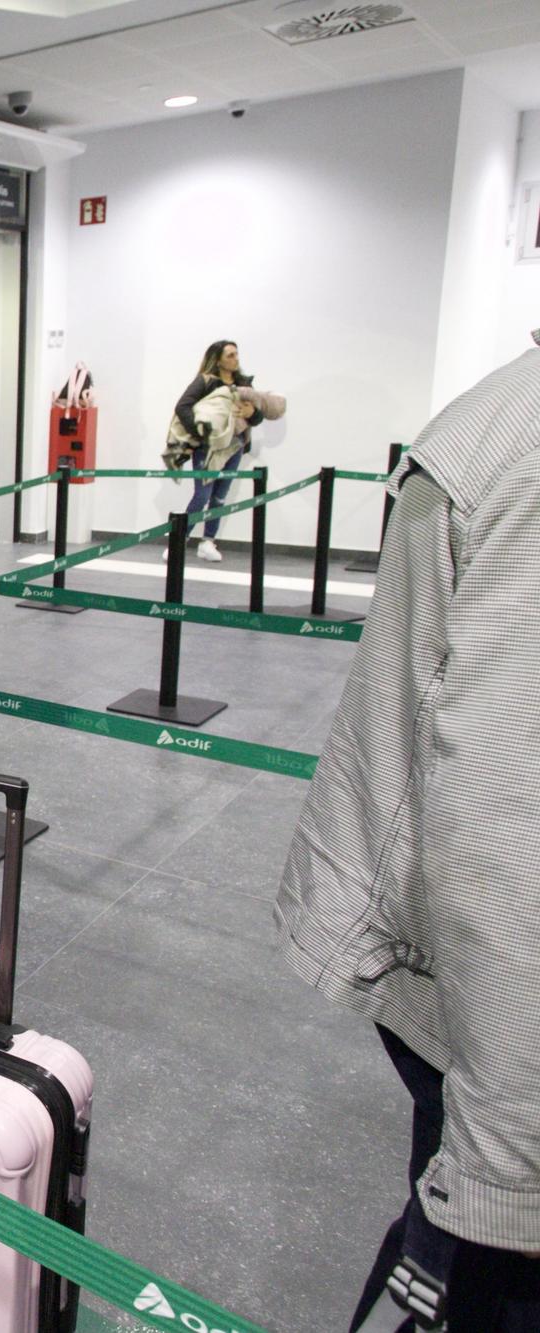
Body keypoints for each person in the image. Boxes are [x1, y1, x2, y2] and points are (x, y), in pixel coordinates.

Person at [278, 332, 540, 1332]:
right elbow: (504, 830)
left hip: (478, 1015)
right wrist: (508, 1159)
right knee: (467, 1276)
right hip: (498, 1035)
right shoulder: (520, 458)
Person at [169, 339, 258, 562]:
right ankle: (179, 541)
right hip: (209, 447)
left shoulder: (244, 384)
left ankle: (208, 541)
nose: (236, 359)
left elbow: (257, 414)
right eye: (230, 355)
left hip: (235, 445)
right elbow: (182, 406)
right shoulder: (206, 381)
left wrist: (250, 414)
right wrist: (201, 433)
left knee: (220, 496)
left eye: (236, 354)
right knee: (202, 495)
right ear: (217, 359)